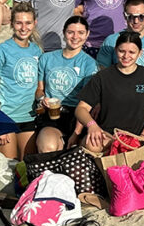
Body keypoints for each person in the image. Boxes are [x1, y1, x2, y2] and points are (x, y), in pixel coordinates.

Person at [76, 30, 144, 152]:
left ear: (140, 53)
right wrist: (92, 126)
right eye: (121, 51)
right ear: (115, 50)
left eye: (131, 52)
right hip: (107, 136)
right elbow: (81, 109)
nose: (126, 56)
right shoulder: (102, 77)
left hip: (135, 138)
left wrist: (143, 137)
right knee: (92, 144)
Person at [0, 2, 42, 158]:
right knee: (6, 170)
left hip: (29, 117)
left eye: (28, 23)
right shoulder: (0, 51)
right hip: (6, 117)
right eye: (19, 23)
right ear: (11, 24)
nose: (23, 28)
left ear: (34, 23)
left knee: (26, 168)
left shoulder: (36, 50)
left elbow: (37, 86)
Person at [35, 16, 97, 153]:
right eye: (71, 32)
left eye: (81, 32)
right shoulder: (47, 58)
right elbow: (40, 89)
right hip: (51, 113)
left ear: (87, 35)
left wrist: (76, 132)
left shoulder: (89, 64)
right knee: (49, 146)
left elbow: (85, 103)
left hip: (76, 115)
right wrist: (41, 99)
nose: (75, 37)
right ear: (64, 33)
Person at [96, 0, 144, 76]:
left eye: (141, 17)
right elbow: (102, 72)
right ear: (124, 16)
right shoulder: (111, 41)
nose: (136, 21)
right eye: (131, 17)